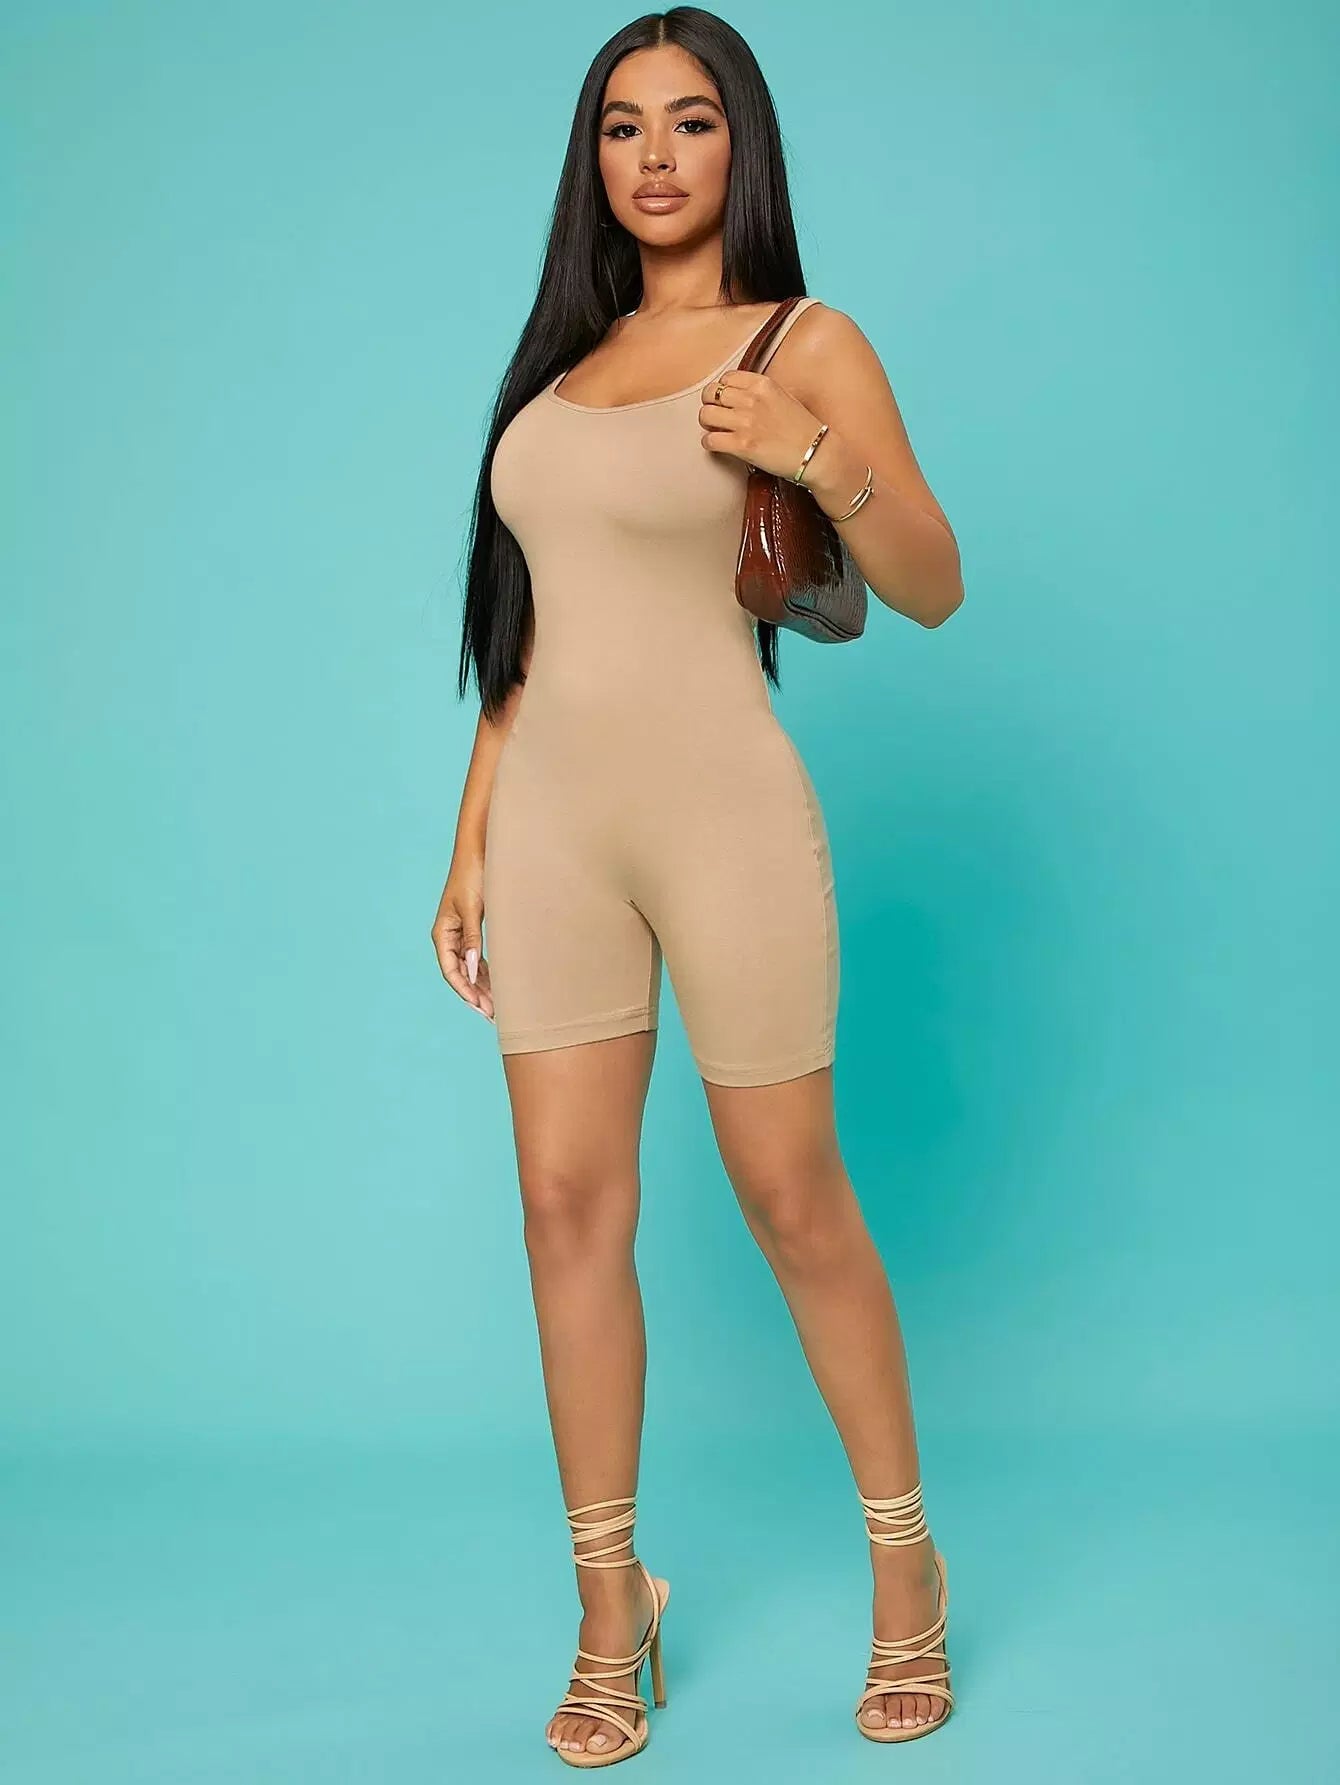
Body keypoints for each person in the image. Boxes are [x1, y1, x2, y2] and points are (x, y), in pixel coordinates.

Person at [432, 6, 964, 1766]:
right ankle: (613, 1606)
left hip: (724, 811)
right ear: (591, 160)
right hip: (553, 829)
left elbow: (932, 581)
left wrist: (814, 456)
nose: (654, 156)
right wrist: (471, 836)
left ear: (745, 145)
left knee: (791, 1193)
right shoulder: (561, 364)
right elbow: (528, 634)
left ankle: (907, 1567)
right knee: (563, 1208)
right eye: (622, 126)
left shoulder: (806, 341)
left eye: (691, 120)